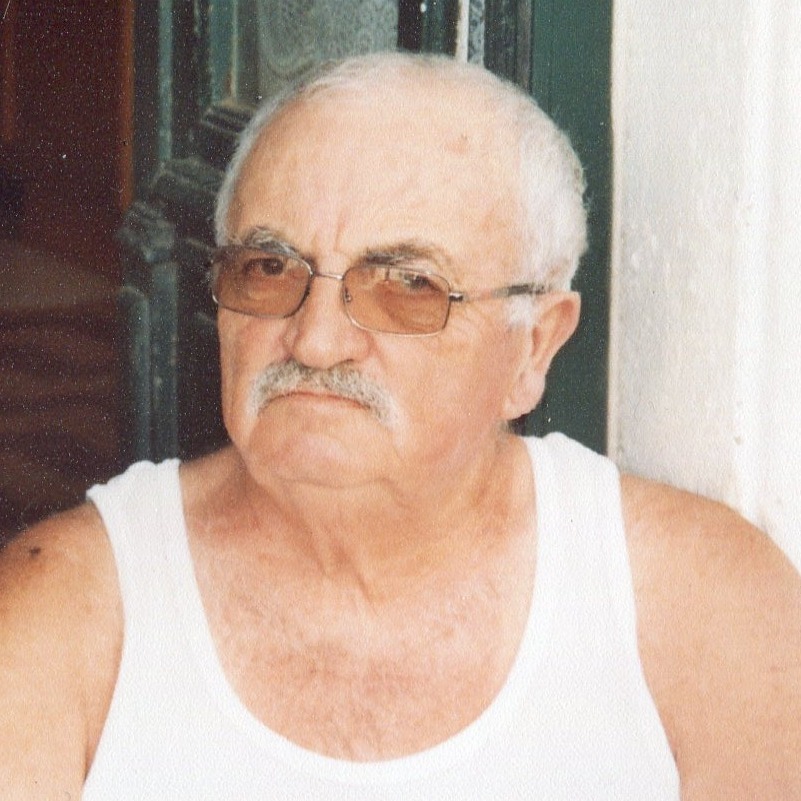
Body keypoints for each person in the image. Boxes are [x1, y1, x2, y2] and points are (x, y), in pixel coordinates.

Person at [1, 52, 800, 800]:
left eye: (408, 285)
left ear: (533, 346)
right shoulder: (65, 613)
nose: (316, 341)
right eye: (269, 267)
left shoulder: (702, 603)